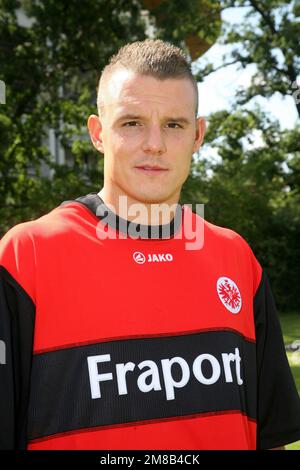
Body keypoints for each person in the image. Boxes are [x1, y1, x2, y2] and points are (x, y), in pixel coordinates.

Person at [0, 39, 299, 451]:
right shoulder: (25, 257)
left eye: (174, 125)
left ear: (198, 135)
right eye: (132, 123)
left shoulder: (237, 259)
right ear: (98, 133)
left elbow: (271, 438)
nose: (154, 144)